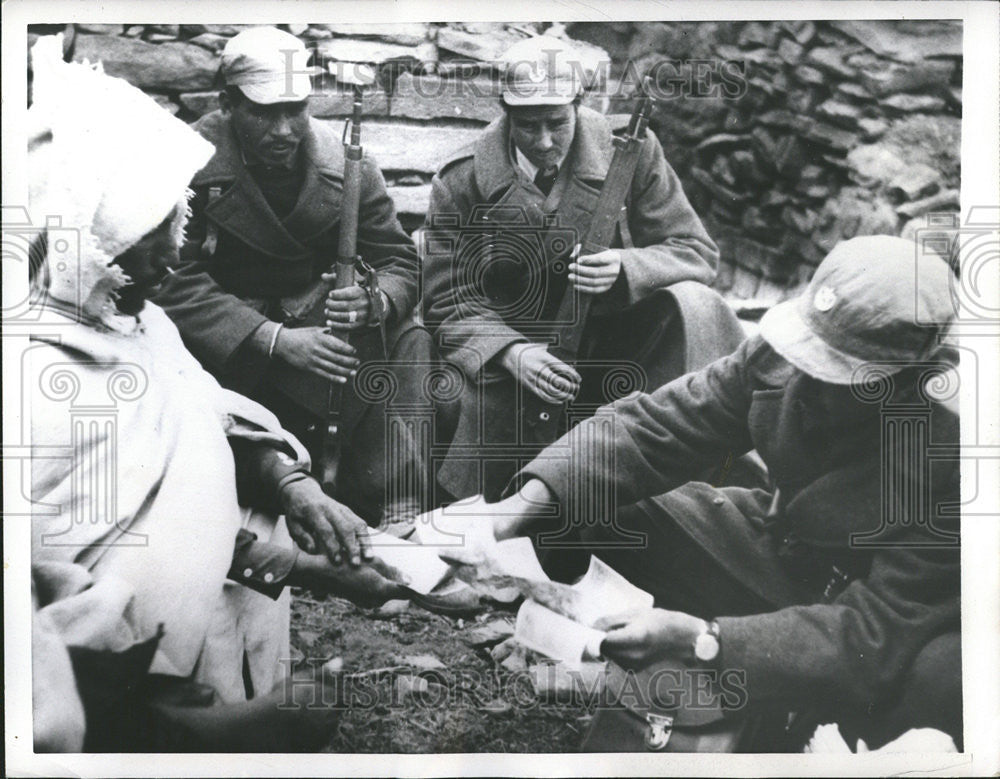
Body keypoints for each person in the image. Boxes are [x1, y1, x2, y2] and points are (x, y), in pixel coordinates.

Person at [420, 235, 962, 750]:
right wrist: (518, 508)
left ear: (916, 377)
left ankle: (773, 707)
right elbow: (661, 425)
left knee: (936, 684)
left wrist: (705, 639)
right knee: (584, 505)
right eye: (810, 356)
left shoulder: (954, 455)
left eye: (842, 376)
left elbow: (877, 629)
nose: (809, 383)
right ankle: (627, 649)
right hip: (777, 550)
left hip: (858, 615)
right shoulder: (782, 359)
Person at [26, 34, 406, 752]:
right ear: (89, 243)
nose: (179, 251)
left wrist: (294, 502)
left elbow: (207, 415)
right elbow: (31, 644)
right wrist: (218, 734)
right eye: (158, 233)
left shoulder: (135, 321)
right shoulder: (37, 387)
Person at [422, 35, 747, 502]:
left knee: (696, 308)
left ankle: (687, 488)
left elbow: (694, 251)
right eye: (528, 126)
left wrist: (626, 267)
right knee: (487, 490)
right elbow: (446, 298)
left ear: (580, 104)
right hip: (511, 365)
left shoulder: (629, 150)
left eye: (558, 122)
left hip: (609, 347)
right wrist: (512, 353)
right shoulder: (462, 180)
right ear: (505, 114)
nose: (545, 141)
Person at [153, 26, 435, 531]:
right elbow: (169, 277)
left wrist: (374, 302)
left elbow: (397, 260)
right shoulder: (178, 161)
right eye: (264, 112)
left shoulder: (348, 166)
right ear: (227, 104)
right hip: (225, 340)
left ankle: (397, 507)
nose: (283, 129)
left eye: (295, 109)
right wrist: (273, 339)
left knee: (409, 335)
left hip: (313, 322)